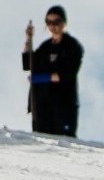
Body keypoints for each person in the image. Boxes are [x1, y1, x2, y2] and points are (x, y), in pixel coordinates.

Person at [21, 8, 82, 137]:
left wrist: (39, 78)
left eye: (56, 22)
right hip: (41, 104)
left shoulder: (72, 46)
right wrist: (28, 39)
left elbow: (66, 74)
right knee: (42, 140)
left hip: (63, 104)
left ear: (64, 22)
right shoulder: (45, 47)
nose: (52, 26)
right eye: (49, 22)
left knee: (64, 142)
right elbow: (29, 64)